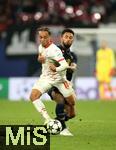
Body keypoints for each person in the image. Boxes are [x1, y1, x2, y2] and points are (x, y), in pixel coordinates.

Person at [30, 27, 76, 130]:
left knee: (72, 105)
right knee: (34, 96)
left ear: (49, 37)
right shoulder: (41, 47)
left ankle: (58, 122)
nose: (42, 40)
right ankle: (49, 120)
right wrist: (39, 59)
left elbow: (64, 65)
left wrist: (56, 69)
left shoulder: (56, 50)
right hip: (46, 78)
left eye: (44, 37)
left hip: (60, 80)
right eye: (40, 37)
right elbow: (41, 57)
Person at [48, 28, 77, 136]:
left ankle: (54, 123)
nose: (68, 39)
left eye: (71, 38)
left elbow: (73, 67)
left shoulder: (73, 56)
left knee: (72, 113)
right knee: (60, 100)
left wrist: (70, 67)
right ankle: (63, 129)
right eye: (66, 37)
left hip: (66, 85)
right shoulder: (55, 50)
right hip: (53, 83)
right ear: (61, 38)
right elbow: (50, 65)